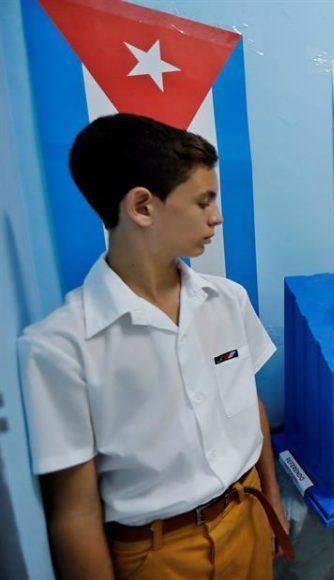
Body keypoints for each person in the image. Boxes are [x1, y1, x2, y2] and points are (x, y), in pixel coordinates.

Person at [17, 113, 292, 580]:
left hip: (248, 515)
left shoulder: (227, 300)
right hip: (157, 554)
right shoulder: (60, 347)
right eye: (203, 200)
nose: (217, 216)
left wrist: (272, 500)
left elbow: (250, 405)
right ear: (142, 207)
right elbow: (74, 514)